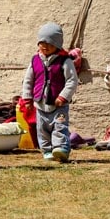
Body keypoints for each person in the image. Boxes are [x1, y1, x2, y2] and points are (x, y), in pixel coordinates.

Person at [20, 22, 78, 163]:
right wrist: (27, 99)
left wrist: (63, 96)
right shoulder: (35, 61)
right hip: (41, 103)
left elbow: (72, 80)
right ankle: (47, 150)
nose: (45, 46)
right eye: (42, 43)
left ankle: (61, 149)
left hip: (58, 104)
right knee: (42, 129)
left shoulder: (64, 61)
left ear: (57, 45)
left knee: (59, 126)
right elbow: (28, 80)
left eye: (50, 43)